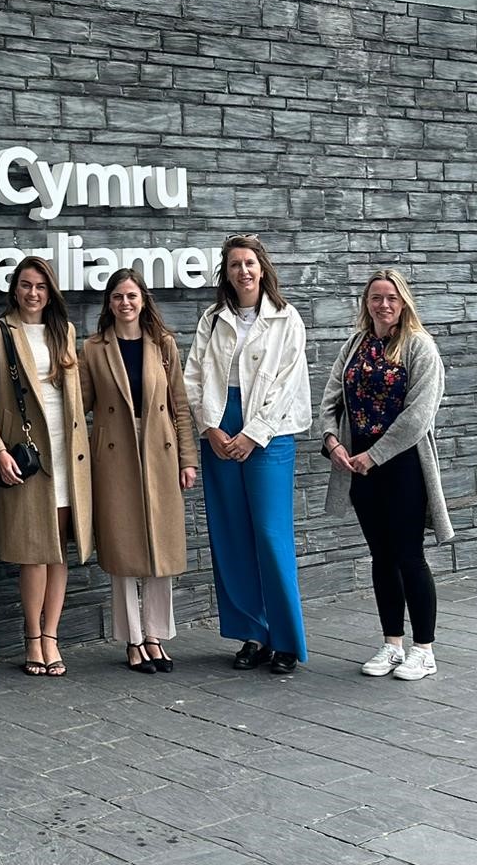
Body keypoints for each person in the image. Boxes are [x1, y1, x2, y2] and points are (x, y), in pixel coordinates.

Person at [183, 234, 311, 675]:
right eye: (235, 264)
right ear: (227, 272)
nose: (243, 271)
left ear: (263, 268)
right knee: (231, 534)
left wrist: (253, 433)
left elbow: (286, 384)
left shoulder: (286, 318)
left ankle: (286, 641)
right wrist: (211, 428)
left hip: (269, 434)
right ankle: (252, 634)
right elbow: (193, 377)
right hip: (219, 425)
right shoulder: (213, 318)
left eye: (250, 263)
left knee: (270, 536)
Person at [319, 268, 451, 681]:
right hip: (359, 468)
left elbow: (419, 415)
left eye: (391, 297)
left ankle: (424, 650)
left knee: (409, 555)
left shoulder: (419, 346)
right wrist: (332, 442)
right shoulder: (355, 344)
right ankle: (392, 644)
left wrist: (374, 455)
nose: (384, 304)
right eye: (376, 297)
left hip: (403, 467)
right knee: (381, 557)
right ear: (366, 303)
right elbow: (330, 398)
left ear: (404, 301)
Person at [0, 256, 93, 678]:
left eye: (41, 286)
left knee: (58, 548)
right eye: (26, 285)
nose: (32, 293)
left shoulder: (64, 332)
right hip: (25, 455)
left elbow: (75, 396)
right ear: (15, 289)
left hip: (66, 450)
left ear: (50, 291)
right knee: (33, 551)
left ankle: (52, 636)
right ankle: (31, 637)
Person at [81, 268, 198, 674]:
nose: (125, 303)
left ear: (143, 300)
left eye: (132, 296)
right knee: (124, 549)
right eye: (117, 297)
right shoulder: (94, 348)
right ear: (109, 303)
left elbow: (179, 406)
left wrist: (187, 459)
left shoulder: (163, 345)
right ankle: (132, 639)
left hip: (159, 454)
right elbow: (81, 406)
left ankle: (155, 636)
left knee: (161, 549)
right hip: (115, 458)